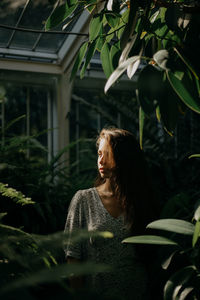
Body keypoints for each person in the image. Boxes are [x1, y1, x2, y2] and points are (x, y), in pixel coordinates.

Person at [64, 127, 158, 300]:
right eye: (99, 154)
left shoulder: (142, 200)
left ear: (124, 157)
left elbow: (152, 260)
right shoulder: (84, 200)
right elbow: (73, 258)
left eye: (107, 154)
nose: (101, 160)